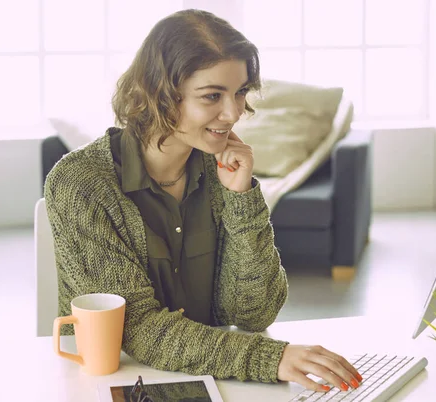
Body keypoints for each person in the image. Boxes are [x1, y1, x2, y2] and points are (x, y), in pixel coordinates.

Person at [44, 8, 362, 393]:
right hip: (115, 381)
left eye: (240, 92)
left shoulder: (221, 170)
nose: (233, 113)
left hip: (213, 376)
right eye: (212, 96)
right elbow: (138, 328)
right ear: (159, 93)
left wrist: (242, 199)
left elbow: (254, 312)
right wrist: (271, 358)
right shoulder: (80, 185)